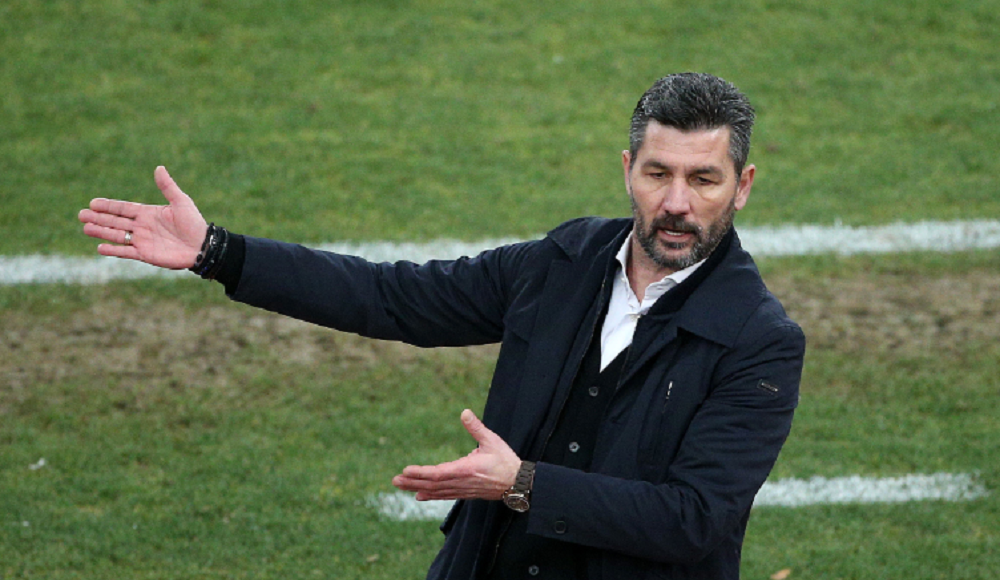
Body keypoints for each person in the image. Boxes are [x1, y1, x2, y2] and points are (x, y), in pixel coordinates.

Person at [79, 72, 805, 580]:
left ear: (741, 186)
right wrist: (219, 253)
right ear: (627, 170)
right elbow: (391, 297)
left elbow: (692, 520)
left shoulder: (761, 340)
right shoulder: (562, 262)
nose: (676, 202)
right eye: (658, 174)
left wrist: (523, 483)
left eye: (703, 180)